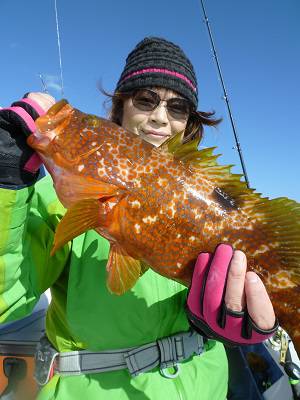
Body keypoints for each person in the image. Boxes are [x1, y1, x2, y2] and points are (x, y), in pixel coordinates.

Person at [0, 37, 277, 400]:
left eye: (177, 107)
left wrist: (227, 324)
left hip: (203, 386)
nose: (161, 117)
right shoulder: (56, 199)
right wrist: (6, 184)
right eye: (145, 100)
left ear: (188, 121)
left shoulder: (205, 192)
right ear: (119, 107)